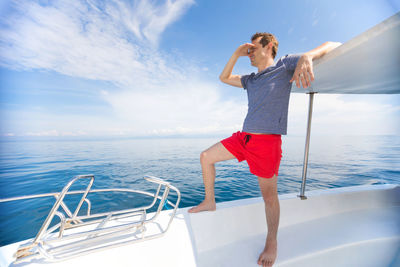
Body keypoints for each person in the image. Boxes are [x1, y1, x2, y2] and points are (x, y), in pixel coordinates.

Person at [188, 32, 341, 267]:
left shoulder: (284, 65)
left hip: (267, 143)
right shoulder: (250, 80)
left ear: (268, 47)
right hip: (243, 138)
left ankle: (272, 242)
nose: (249, 54)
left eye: (252, 49)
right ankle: (210, 201)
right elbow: (223, 77)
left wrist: (308, 57)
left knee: (269, 197)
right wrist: (236, 54)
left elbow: (332, 44)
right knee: (206, 157)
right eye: (247, 51)